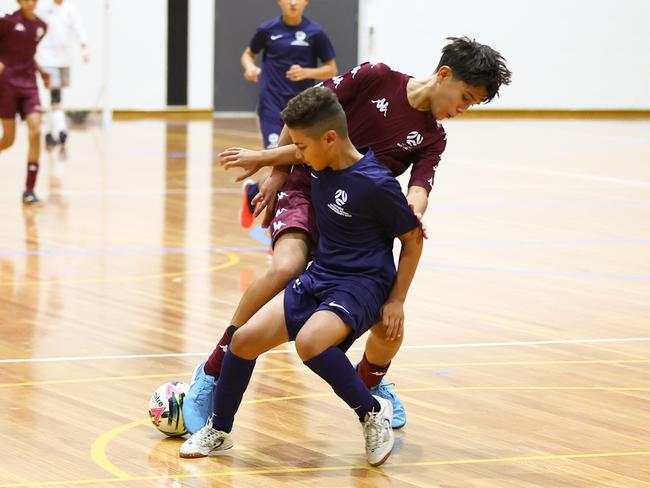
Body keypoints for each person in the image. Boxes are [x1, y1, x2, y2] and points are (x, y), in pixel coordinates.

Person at [183, 37, 512, 433]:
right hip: (307, 185)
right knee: (286, 265)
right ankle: (213, 371)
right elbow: (303, 114)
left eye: (471, 105)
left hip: (356, 218)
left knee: (389, 320)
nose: (462, 110)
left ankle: (372, 384)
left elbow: (420, 187)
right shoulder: (376, 77)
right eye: (465, 97)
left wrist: (414, 211)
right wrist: (276, 172)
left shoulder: (433, 137)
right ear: (444, 75)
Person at [180, 86, 424, 466]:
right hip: (321, 275)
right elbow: (292, 154)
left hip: (363, 284)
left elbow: (412, 241)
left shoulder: (376, 183)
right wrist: (266, 167)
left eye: (302, 147)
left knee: (309, 343)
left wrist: (396, 301)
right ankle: (220, 431)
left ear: (330, 138)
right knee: (244, 340)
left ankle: (370, 412)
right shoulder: (318, 160)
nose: (299, 156)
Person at [238, 0, 337, 228]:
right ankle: (277, 232)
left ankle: (253, 192)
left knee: (299, 165)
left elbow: (331, 68)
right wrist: (250, 68)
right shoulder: (267, 30)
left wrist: (307, 72)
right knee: (279, 164)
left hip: (303, 111)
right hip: (272, 107)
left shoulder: (315, 33)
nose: (293, 2)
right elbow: (247, 54)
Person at [0, 0, 48, 205]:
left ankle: (29, 190)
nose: (30, 2)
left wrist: (41, 71)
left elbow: (28, 52)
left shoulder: (41, 26)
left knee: (36, 131)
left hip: (29, 85)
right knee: (8, 140)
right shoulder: (7, 22)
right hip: (7, 85)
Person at [36, 0, 88, 150]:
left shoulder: (71, 9)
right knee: (55, 94)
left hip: (64, 58)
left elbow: (79, 28)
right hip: (47, 56)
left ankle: (51, 132)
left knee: (57, 97)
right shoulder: (43, 8)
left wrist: (84, 47)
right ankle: (59, 129)